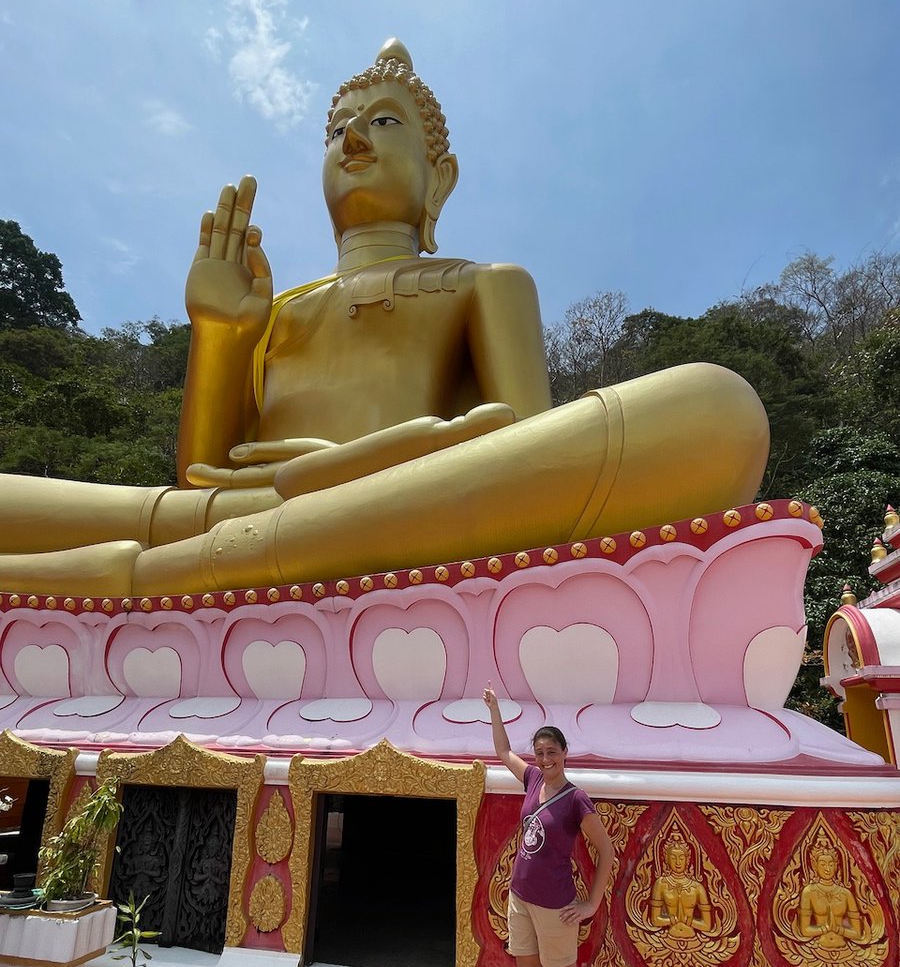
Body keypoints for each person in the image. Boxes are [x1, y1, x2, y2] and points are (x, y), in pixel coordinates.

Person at [0, 40, 769, 596]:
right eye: (338, 129)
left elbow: (519, 465)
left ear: (441, 177)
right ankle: (208, 559)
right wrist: (222, 336)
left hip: (386, 527)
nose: (354, 139)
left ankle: (173, 574)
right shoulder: (274, 308)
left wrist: (336, 472)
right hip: (231, 517)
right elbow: (197, 480)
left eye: (384, 122)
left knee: (716, 411)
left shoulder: (483, 283)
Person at [483, 683, 614, 967]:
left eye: (551, 753)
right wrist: (495, 711)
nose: (544, 760)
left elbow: (607, 852)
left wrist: (591, 904)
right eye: (539, 753)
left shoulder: (576, 799)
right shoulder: (533, 777)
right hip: (520, 898)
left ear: (564, 753)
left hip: (557, 907)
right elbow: (503, 752)